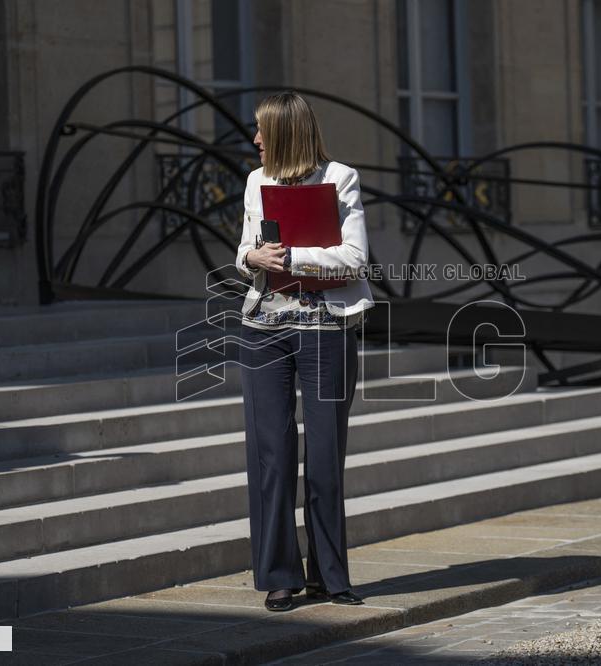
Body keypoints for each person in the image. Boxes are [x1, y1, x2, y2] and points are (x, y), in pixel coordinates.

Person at [234, 91, 375, 612]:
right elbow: (244, 250)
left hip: (326, 328)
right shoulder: (256, 181)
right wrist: (253, 257)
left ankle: (330, 578)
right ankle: (278, 577)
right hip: (263, 328)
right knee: (270, 456)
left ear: (285, 133)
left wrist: (291, 256)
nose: (255, 139)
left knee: (324, 459)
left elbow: (354, 258)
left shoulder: (340, 178)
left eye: (262, 130)